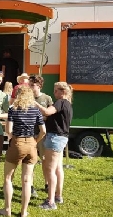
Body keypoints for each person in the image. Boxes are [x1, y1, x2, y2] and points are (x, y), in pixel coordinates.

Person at [0, 86, 46, 217]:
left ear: (18, 95)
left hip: (17, 142)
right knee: (27, 181)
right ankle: (23, 212)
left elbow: (8, 130)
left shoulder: (13, 110)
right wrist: (35, 141)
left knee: (8, 178)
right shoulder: (36, 110)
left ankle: (7, 210)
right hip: (31, 144)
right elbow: (43, 131)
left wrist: (14, 138)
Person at [35, 82, 73, 210]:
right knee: (58, 168)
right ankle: (58, 196)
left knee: (50, 170)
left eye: (56, 90)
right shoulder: (68, 104)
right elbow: (51, 116)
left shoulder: (60, 102)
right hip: (62, 138)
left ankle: (50, 202)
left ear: (62, 92)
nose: (54, 93)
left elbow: (46, 111)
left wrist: (34, 102)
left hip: (55, 138)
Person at [29, 75, 53, 197]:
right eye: (29, 84)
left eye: (32, 85)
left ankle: (47, 183)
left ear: (39, 85)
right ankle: (31, 186)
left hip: (43, 134)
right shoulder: (27, 98)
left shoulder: (47, 98)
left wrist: (41, 116)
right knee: (30, 161)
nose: (30, 86)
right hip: (30, 134)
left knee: (44, 159)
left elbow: (49, 115)